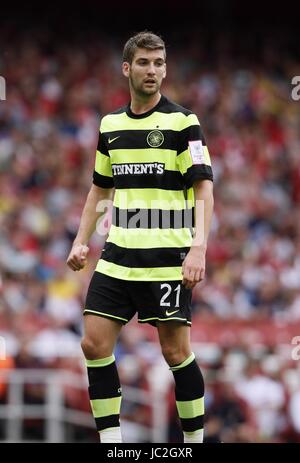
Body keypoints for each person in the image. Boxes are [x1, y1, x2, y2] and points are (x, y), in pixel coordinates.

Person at [67, 31, 214, 443]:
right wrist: (81, 241)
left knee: (175, 353)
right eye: (145, 63)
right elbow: (100, 188)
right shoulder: (110, 125)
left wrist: (197, 248)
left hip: (168, 256)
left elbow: (204, 187)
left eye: (160, 63)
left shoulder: (184, 122)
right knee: (94, 344)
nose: (154, 71)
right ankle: (112, 445)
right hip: (118, 255)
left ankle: (193, 444)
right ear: (127, 69)